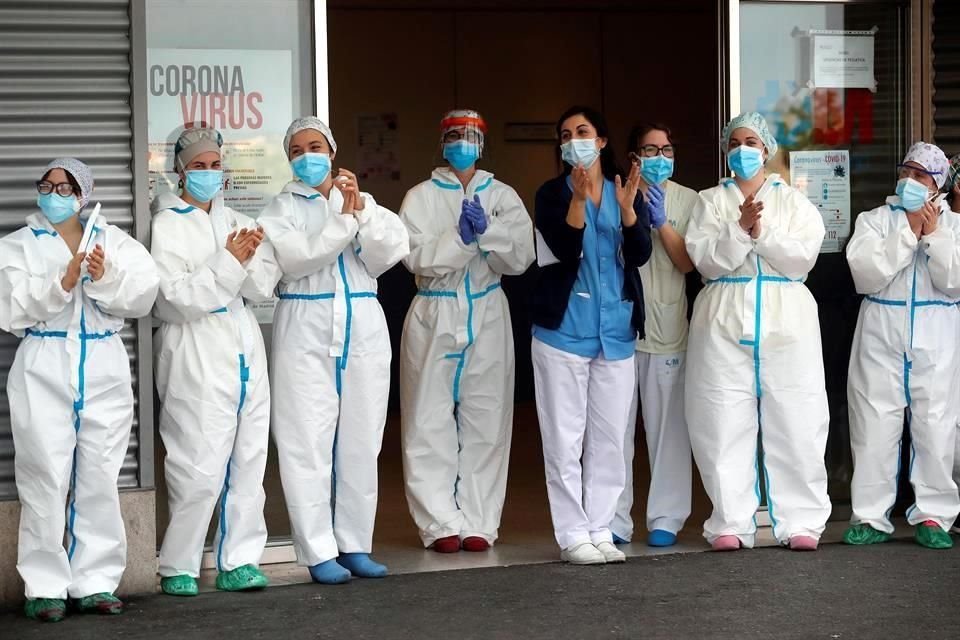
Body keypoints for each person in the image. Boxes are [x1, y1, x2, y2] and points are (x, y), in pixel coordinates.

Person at [0, 158, 158, 622]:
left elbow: (143, 295)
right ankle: (45, 586)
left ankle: (96, 581)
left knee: (100, 475)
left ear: (83, 194)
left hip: (104, 361)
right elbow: (9, 310)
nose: (54, 193)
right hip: (43, 362)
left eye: (65, 187)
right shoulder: (15, 246)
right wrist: (63, 282)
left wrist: (105, 276)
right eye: (46, 185)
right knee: (44, 476)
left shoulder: (114, 241)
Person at [260, 117, 409, 584]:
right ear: (289, 158)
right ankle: (318, 549)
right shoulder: (278, 210)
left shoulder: (361, 201)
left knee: (363, 439)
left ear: (333, 149)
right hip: (305, 324)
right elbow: (300, 257)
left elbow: (390, 251)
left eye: (316, 146)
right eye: (299, 149)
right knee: (307, 440)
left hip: (362, 321)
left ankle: (355, 544)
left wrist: (358, 211)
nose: (308, 155)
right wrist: (345, 223)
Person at [684, 112, 831, 552]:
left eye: (751, 142)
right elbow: (705, 260)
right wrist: (738, 230)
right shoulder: (710, 201)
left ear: (766, 149)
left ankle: (801, 520)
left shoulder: (795, 202)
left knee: (798, 418)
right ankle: (730, 519)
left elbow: (801, 258)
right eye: (735, 142)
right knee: (721, 419)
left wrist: (757, 231)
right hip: (723, 318)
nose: (742, 150)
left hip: (788, 320)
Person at [152, 127, 281, 596]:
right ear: (180, 170)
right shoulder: (166, 225)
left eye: (215, 164)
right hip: (195, 348)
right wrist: (229, 262)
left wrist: (244, 259)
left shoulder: (236, 220)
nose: (209, 173)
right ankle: (179, 563)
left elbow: (264, 284)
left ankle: (240, 559)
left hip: (243, 343)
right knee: (197, 461)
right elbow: (173, 299)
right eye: (199, 165)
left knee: (249, 458)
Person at [398, 109, 535, 554]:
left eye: (471, 135)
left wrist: (489, 232)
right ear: (442, 143)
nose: (462, 142)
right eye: (455, 135)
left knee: (487, 419)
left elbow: (519, 258)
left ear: (483, 142)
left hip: (488, 309)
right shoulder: (419, 197)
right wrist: (460, 240)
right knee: (427, 418)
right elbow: (415, 259)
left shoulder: (503, 195)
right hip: (434, 311)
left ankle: (479, 521)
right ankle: (438, 523)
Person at [531, 106, 652, 565]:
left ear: (602, 141)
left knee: (609, 439)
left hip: (616, 334)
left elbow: (639, 254)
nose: (574, 140)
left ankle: (601, 525)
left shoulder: (625, 190)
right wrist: (579, 201)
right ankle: (571, 532)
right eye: (566, 134)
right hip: (563, 332)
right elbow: (563, 249)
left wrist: (627, 214)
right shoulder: (549, 194)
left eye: (583, 132)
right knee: (564, 440)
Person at [844, 142, 960, 550]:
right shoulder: (874, 220)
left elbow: (955, 279)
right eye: (906, 171)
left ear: (939, 185)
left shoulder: (955, 226)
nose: (910, 181)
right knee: (873, 425)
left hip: (937, 332)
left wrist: (933, 236)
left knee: (937, 424)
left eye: (921, 176)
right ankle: (870, 517)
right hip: (880, 328)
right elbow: (865, 273)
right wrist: (909, 233)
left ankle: (934, 515)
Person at [612, 124, 698, 548]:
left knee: (668, 430)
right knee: (614, 428)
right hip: (620, 326)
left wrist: (662, 224)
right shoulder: (615, 193)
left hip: (668, 329)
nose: (660, 156)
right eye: (650, 149)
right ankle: (613, 518)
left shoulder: (689, 200)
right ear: (634, 156)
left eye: (667, 148)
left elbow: (687, 263)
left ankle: (666, 515)